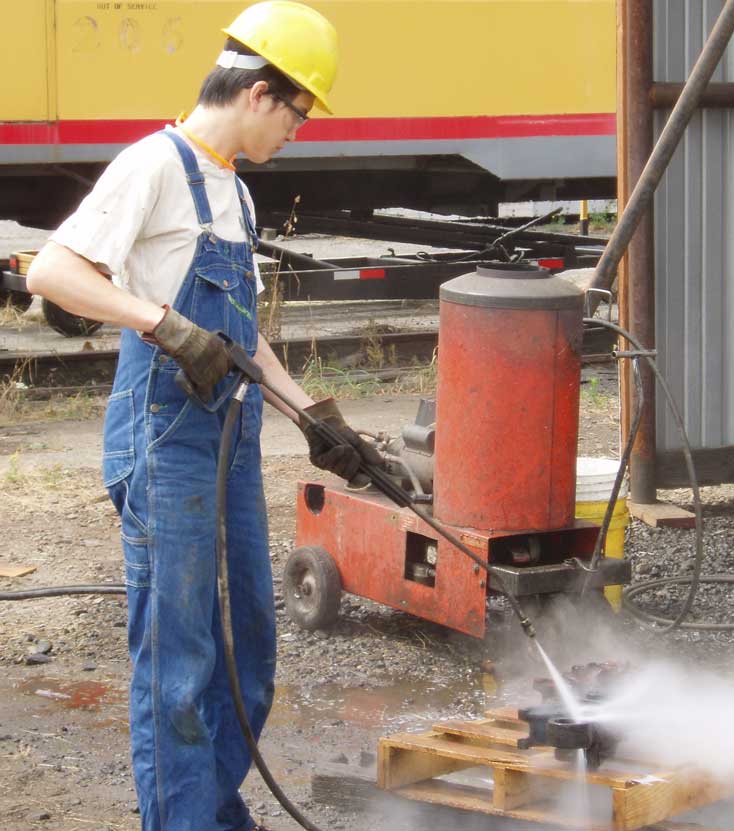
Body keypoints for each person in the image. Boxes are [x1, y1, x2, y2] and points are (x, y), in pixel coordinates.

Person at [26, 3, 368, 828]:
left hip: (233, 438)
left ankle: (211, 810)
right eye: (297, 113)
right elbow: (52, 271)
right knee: (177, 665)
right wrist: (161, 323)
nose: (297, 131)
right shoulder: (154, 164)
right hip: (167, 438)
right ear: (258, 93)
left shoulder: (237, 196)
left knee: (249, 653)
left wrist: (315, 419)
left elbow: (244, 342)